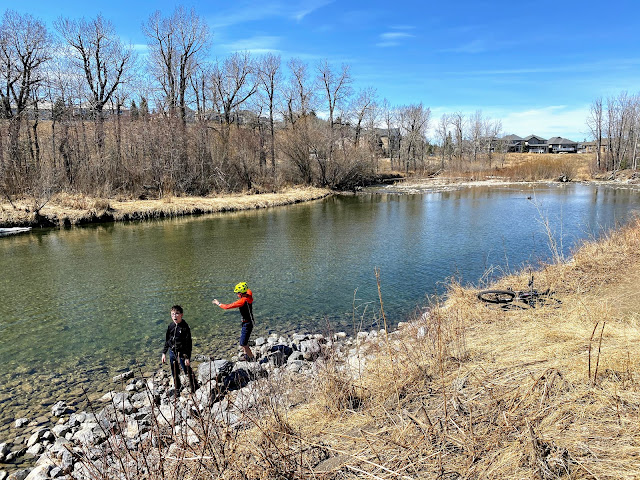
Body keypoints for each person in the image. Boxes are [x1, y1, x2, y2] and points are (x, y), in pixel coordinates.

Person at [213, 282, 255, 361]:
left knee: (243, 343)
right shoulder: (249, 295)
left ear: (241, 294)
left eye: (237, 293)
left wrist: (217, 303)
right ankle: (246, 355)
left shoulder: (242, 302)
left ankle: (251, 358)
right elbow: (248, 290)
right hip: (250, 321)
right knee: (244, 340)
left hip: (247, 324)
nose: (237, 294)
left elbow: (227, 307)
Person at [161, 305, 197, 395]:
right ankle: (177, 387)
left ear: (181, 315)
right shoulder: (171, 326)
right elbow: (167, 340)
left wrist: (187, 357)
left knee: (186, 370)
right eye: (172, 314)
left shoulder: (185, 327)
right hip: (172, 352)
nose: (174, 316)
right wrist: (164, 353)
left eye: (177, 314)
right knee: (174, 371)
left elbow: (188, 344)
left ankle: (194, 386)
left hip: (182, 353)